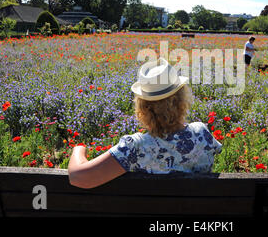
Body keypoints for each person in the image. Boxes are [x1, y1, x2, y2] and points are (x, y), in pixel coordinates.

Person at [68, 57, 222, 189]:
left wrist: (78, 149)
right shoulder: (202, 134)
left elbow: (78, 177)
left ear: (143, 107)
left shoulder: (135, 147)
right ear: (181, 100)